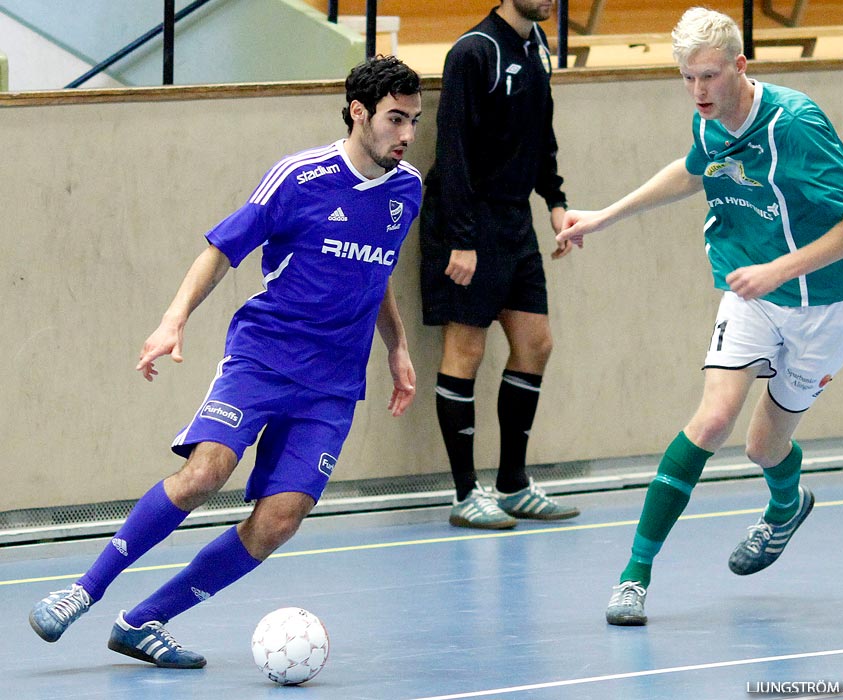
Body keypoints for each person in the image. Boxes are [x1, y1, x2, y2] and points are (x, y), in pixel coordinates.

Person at [28, 56, 424, 668]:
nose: (405, 134)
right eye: (395, 119)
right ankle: (84, 588)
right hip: (264, 357)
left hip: (333, 384)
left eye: (414, 122)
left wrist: (396, 346)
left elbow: (379, 272)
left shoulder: (408, 189)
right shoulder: (299, 178)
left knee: (278, 521)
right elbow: (221, 249)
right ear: (358, 112)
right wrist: (173, 318)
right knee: (205, 473)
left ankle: (143, 621)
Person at [557, 7, 843, 625]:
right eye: (687, 79)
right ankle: (634, 577)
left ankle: (786, 506)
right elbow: (693, 168)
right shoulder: (709, 119)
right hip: (753, 290)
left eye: (709, 76)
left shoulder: (797, 123)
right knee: (711, 421)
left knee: (764, 446)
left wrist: (780, 269)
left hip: (830, 304)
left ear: (740, 65)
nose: (699, 91)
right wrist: (603, 216)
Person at [419, 0, 580, 530]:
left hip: (514, 221)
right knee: (466, 349)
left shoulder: (538, 49)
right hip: (468, 221)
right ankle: (466, 493)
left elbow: (542, 138)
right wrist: (462, 241)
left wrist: (555, 204)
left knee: (535, 344)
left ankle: (512, 483)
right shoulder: (474, 51)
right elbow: (454, 148)